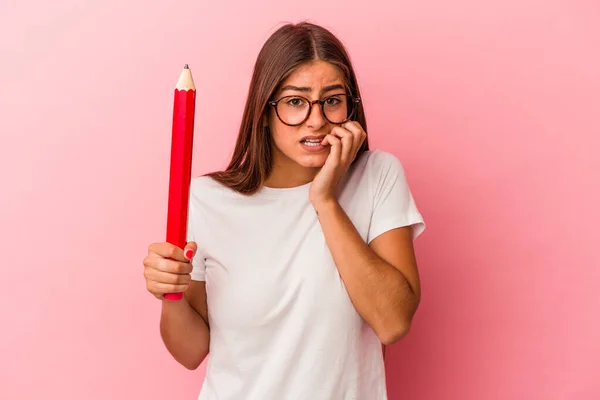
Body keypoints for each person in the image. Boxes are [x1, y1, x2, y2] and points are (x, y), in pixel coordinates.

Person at [143, 21, 426, 400]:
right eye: (295, 101)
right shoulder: (208, 199)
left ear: (350, 105)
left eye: (332, 100)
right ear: (264, 111)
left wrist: (324, 199)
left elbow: (392, 322)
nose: (317, 119)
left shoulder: (378, 176)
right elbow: (191, 351)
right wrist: (170, 295)